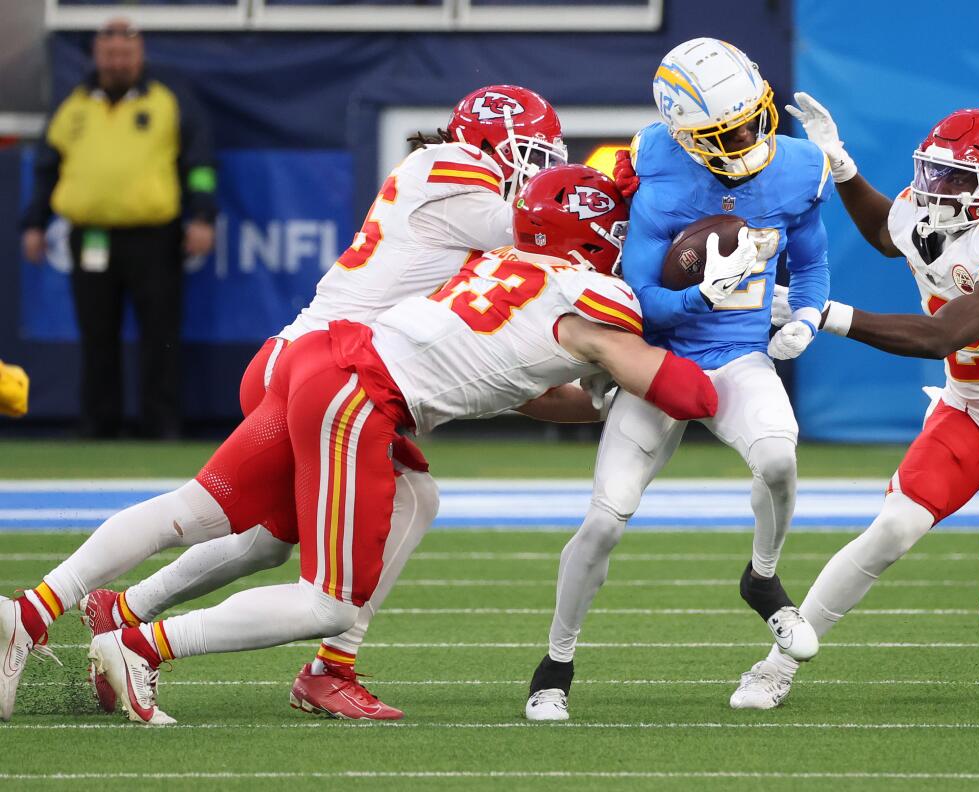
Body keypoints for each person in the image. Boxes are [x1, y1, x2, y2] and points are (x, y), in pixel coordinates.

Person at [0, 164, 721, 725]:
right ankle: (141, 646)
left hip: (323, 362)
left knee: (202, 509)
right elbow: (693, 395)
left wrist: (599, 401)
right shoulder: (593, 301)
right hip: (357, 397)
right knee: (331, 603)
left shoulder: (505, 268)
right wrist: (715, 304)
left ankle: (31, 613)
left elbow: (525, 388)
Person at [78, 85, 568, 720]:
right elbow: (544, 231)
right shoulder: (457, 172)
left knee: (268, 537)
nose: (536, 169)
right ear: (483, 143)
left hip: (319, 365)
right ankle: (311, 664)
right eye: (528, 153)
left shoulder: (457, 188)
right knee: (327, 533)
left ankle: (126, 611)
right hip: (326, 372)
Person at [729, 97, 979, 709]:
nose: (936, 187)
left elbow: (940, 336)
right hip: (966, 408)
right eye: (933, 170)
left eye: (956, 177)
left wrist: (825, 313)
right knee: (894, 528)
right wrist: (843, 167)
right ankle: (776, 666)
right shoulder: (933, 215)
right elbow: (887, 232)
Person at [524, 37, 832, 721]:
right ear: (686, 135)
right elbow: (639, 298)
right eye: (729, 132)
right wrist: (699, 297)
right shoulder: (658, 163)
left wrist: (806, 320)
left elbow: (811, 266)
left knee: (779, 456)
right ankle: (555, 665)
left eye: (753, 117)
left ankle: (763, 579)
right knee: (604, 523)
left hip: (739, 357)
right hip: (658, 361)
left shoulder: (800, 166)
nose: (751, 137)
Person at [19, 18, 216, 439]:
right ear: (96, 54)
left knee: (160, 335)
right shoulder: (73, 104)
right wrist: (35, 222)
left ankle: (161, 424)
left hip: (153, 236)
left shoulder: (167, 99)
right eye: (109, 53)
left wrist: (201, 216)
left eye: (125, 53)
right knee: (96, 334)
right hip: (90, 235)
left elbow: (199, 164)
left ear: (140, 53)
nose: (117, 61)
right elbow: (46, 168)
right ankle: (97, 424)